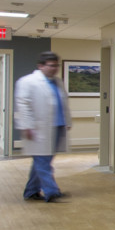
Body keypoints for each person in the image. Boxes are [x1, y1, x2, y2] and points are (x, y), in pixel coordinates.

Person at [14, 51, 70, 201]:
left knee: (43, 161)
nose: (54, 69)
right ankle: (51, 192)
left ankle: (31, 191)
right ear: (41, 66)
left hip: (56, 126)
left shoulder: (57, 82)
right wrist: (27, 126)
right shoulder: (27, 81)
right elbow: (23, 105)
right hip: (37, 129)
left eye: (56, 66)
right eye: (51, 66)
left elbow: (63, 104)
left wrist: (68, 122)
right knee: (43, 161)